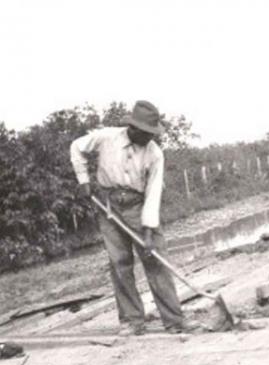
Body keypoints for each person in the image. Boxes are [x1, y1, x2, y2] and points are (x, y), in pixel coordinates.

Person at [70, 100, 199, 336]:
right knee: (119, 263)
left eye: (153, 133)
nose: (151, 137)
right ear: (134, 128)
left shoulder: (154, 153)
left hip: (138, 206)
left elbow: (153, 193)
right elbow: (76, 147)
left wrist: (148, 231)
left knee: (155, 259)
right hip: (108, 206)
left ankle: (174, 320)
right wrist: (83, 181)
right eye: (147, 133)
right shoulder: (106, 137)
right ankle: (131, 321)